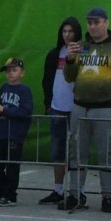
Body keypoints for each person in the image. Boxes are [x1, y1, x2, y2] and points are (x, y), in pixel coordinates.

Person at [62, 7, 111, 213]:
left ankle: (106, 196)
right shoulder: (81, 47)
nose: (93, 26)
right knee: (77, 152)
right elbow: (69, 77)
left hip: (104, 108)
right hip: (79, 106)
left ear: (106, 23)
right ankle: (75, 194)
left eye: (97, 22)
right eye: (90, 23)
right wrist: (69, 59)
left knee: (106, 153)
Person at [39, 17, 82, 204]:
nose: (67, 35)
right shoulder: (54, 54)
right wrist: (48, 104)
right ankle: (57, 189)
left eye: (71, 32)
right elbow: (46, 80)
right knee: (57, 150)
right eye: (64, 31)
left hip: (76, 109)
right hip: (57, 108)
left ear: (77, 33)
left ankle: (76, 191)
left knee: (75, 151)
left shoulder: (84, 53)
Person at [0, 58, 33, 207]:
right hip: (1, 133)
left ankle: (10, 195)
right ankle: (0, 191)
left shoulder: (24, 90)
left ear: (22, 73)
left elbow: (26, 111)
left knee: (12, 166)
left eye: (14, 70)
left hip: (15, 134)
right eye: (8, 71)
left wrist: (5, 110)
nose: (10, 73)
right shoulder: (3, 88)